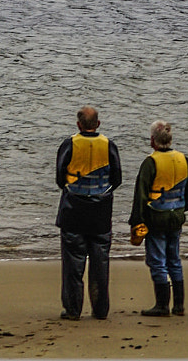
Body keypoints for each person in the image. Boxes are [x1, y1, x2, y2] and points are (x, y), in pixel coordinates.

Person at [54, 105, 122, 321]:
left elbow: (59, 177)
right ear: (98, 124)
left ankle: (73, 310)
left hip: (73, 210)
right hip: (101, 213)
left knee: (73, 264)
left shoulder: (69, 144)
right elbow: (117, 179)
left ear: (78, 125)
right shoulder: (109, 145)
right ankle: (100, 310)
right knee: (100, 263)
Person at [129, 119, 188, 317]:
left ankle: (161, 305)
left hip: (156, 218)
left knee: (157, 260)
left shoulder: (151, 162)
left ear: (153, 141)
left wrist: (137, 220)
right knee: (174, 259)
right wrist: (182, 208)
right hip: (176, 216)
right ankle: (178, 305)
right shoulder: (183, 159)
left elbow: (140, 195)